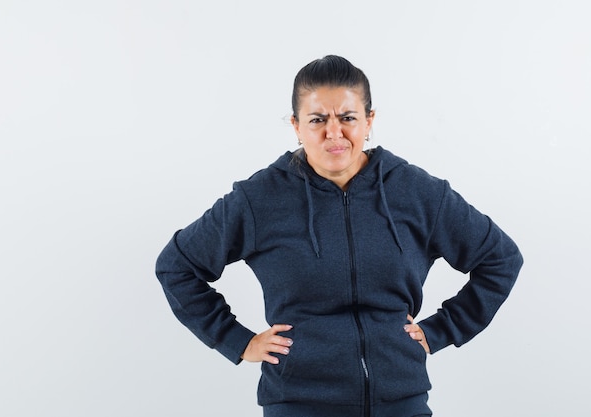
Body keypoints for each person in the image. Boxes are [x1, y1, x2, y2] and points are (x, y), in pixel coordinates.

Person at [155, 55, 523, 417]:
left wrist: (443, 329)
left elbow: (501, 258)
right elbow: (177, 266)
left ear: (369, 121)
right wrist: (238, 342)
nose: (334, 133)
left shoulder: (417, 192)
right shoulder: (259, 199)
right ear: (297, 126)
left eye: (347, 117)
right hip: (298, 402)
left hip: (400, 402)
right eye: (318, 120)